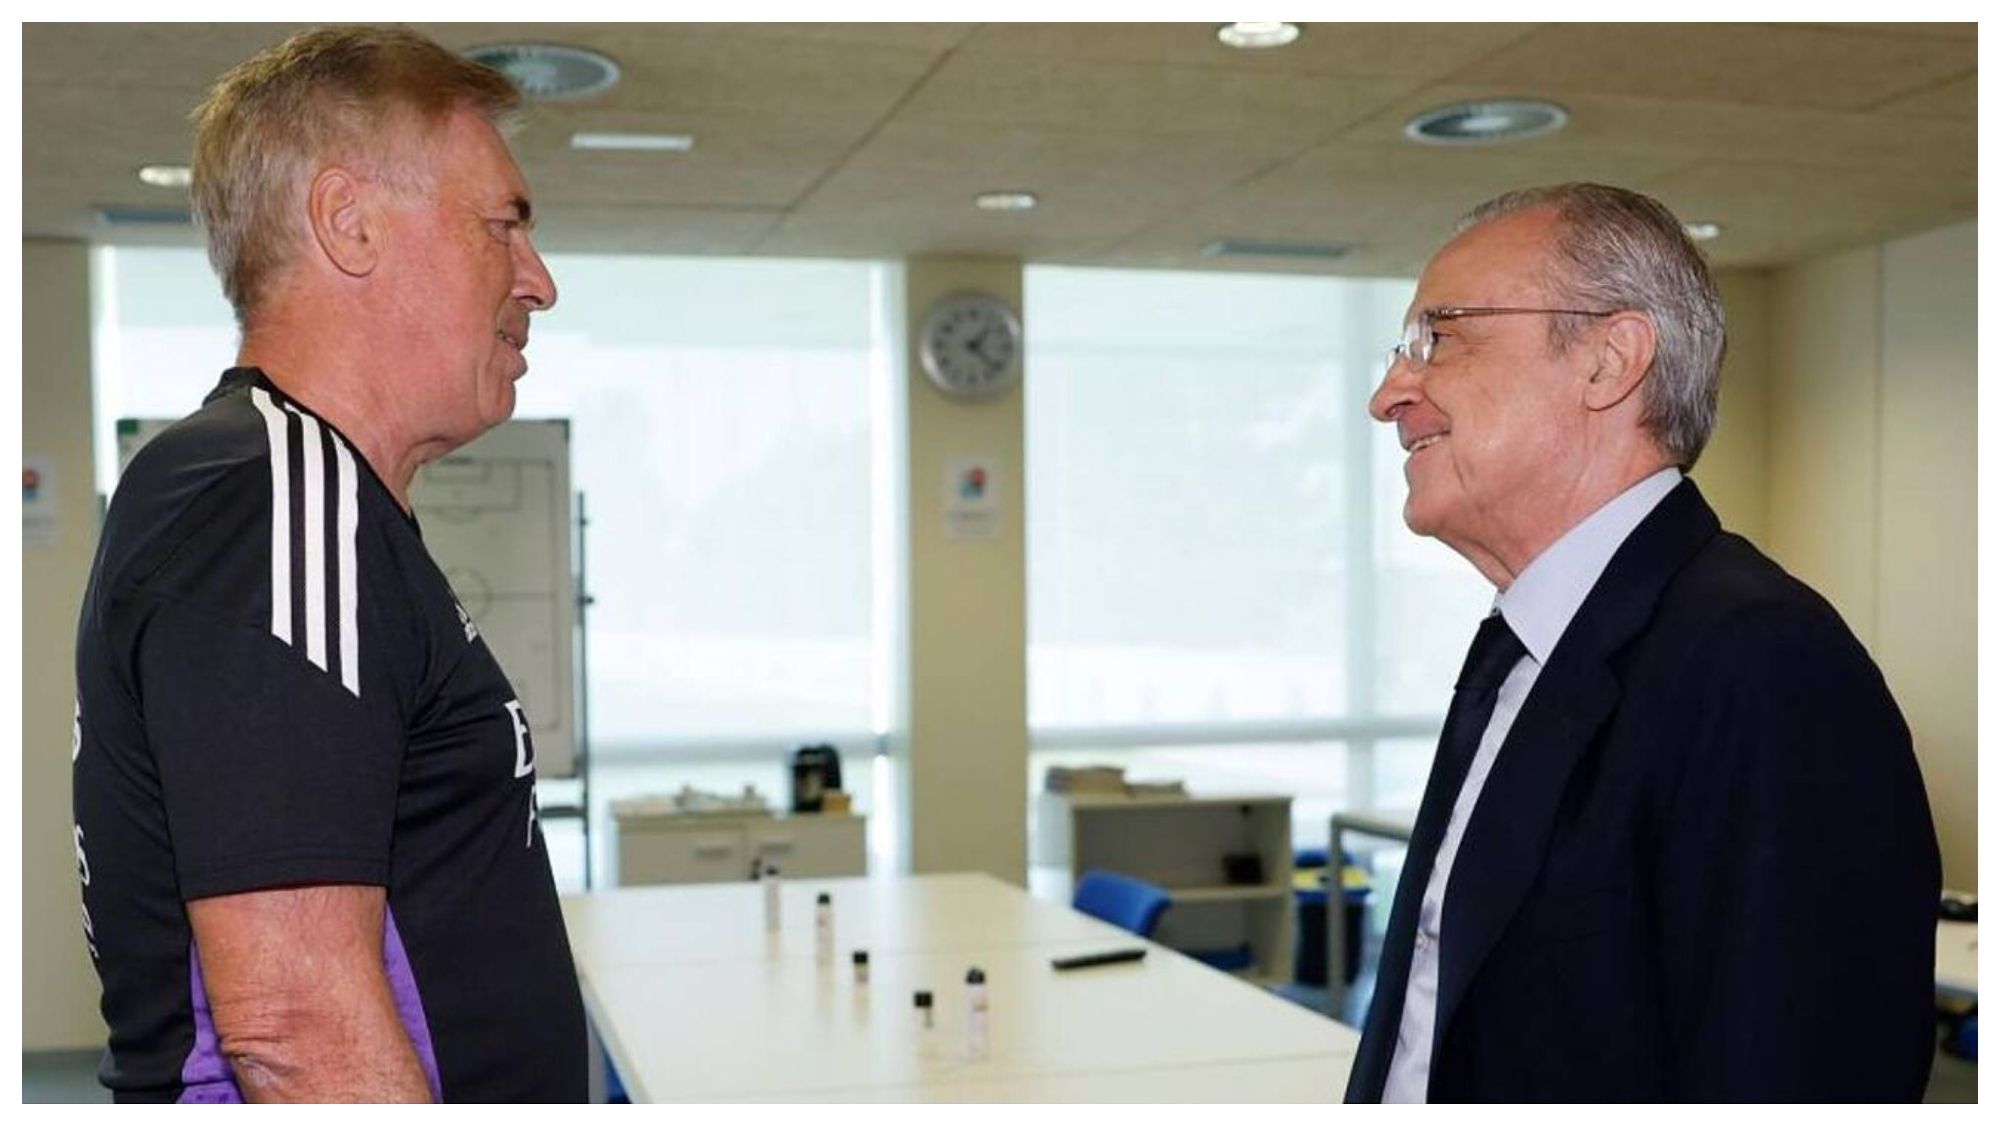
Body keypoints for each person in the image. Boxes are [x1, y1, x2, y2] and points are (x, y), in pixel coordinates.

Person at [71, 26, 584, 1102]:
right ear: (349, 223)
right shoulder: (271, 496)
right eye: (502, 227)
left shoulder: (310, 501)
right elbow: (295, 1030)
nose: (537, 281)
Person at [1345, 183, 1939, 1102]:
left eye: (1440, 336)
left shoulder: (1764, 665)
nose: (1390, 396)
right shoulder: (1523, 644)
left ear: (1608, 361)